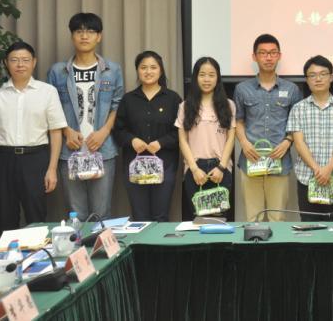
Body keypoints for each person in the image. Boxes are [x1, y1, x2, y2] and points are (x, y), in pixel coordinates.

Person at [0, 41, 67, 237]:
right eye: (14, 60)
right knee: (6, 219)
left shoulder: (47, 92)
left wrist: (52, 169)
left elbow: (55, 132)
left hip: (36, 160)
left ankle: (39, 256)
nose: (20, 65)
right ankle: (8, 256)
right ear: (6, 63)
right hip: (3, 160)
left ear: (34, 62)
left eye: (25, 60)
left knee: (37, 219)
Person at [47, 12, 123, 221]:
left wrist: (104, 132)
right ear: (72, 36)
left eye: (90, 31)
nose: (84, 36)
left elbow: (118, 104)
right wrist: (66, 131)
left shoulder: (112, 70)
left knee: (102, 213)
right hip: (69, 150)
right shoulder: (58, 71)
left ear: (99, 36)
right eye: (79, 31)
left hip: (102, 149)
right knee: (75, 214)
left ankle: (101, 245)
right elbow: (51, 107)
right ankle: (78, 245)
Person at [233, 34, 301, 222]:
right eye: (263, 53)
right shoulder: (242, 89)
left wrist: (287, 142)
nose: (268, 57)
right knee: (253, 218)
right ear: (254, 57)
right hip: (251, 160)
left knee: (277, 218)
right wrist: (244, 143)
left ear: (279, 56)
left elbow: (297, 123)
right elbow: (238, 120)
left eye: (272, 53)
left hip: (279, 161)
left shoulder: (292, 89)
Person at [113, 51, 181, 222]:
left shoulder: (173, 99)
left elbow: (181, 132)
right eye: (143, 67)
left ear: (161, 70)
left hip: (165, 164)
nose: (148, 71)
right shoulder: (128, 99)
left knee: (161, 216)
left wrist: (162, 143)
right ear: (137, 71)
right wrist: (132, 140)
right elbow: (118, 130)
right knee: (140, 216)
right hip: (135, 165)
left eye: (153, 67)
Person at [287, 55, 333, 221]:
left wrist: (328, 168)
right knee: (309, 226)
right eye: (313, 75)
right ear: (307, 80)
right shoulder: (298, 109)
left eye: (323, 74)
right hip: (307, 177)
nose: (318, 79)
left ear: (331, 77)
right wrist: (317, 169)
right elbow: (299, 142)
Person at [176, 57, 236, 216]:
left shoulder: (228, 105)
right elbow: (183, 140)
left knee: (219, 219)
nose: (207, 79)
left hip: (220, 169)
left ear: (218, 78)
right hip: (195, 169)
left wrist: (221, 167)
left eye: (211, 75)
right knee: (199, 219)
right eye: (202, 75)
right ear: (196, 77)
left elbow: (230, 138)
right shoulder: (185, 106)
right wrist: (194, 169)